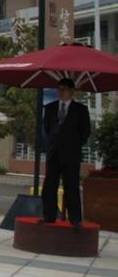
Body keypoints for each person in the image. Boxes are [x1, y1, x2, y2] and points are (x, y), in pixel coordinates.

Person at [41, 78, 91, 227]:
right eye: (59, 89)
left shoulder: (80, 110)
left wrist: (72, 144)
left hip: (71, 154)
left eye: (64, 89)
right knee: (49, 186)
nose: (61, 92)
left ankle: (75, 219)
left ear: (72, 91)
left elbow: (85, 132)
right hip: (54, 153)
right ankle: (49, 216)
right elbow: (47, 129)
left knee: (72, 187)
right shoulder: (50, 108)